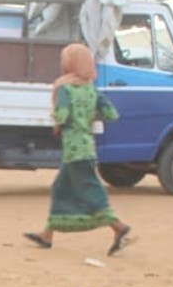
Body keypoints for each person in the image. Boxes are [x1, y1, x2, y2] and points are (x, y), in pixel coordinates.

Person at [23, 43, 131, 255]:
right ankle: (47, 235)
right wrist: (88, 116)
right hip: (87, 147)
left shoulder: (65, 88)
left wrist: (57, 121)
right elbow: (111, 114)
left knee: (91, 191)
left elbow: (62, 115)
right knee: (60, 189)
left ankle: (119, 226)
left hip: (73, 150)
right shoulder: (91, 88)